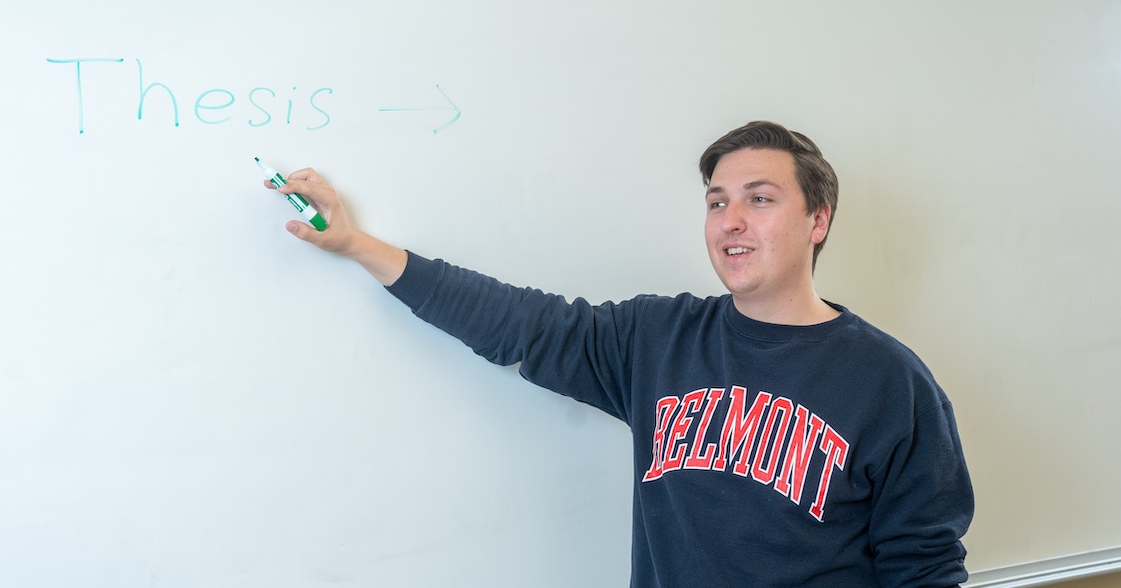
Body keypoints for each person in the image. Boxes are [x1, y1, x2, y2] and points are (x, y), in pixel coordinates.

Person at [266, 121, 973, 587]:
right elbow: (519, 323)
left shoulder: (890, 381)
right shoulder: (657, 342)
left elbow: (925, 568)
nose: (730, 220)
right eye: (716, 200)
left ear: (817, 220)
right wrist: (359, 245)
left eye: (760, 199)